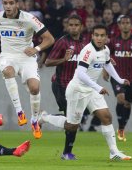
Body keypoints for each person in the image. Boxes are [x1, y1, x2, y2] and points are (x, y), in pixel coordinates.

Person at [39, 24, 132, 160]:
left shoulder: (105, 49)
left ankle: (114, 152)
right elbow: (81, 74)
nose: (99, 38)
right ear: (92, 36)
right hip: (78, 90)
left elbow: (107, 63)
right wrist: (98, 87)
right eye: (97, 35)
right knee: (72, 126)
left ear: (106, 37)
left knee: (106, 117)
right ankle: (45, 118)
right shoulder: (87, 51)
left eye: (102, 36)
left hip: (91, 89)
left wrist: (119, 79)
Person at [0, 0, 55, 139]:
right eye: (5, 3)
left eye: (11, 3)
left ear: (17, 4)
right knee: (8, 72)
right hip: (8, 56)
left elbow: (49, 39)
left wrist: (36, 48)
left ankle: (34, 121)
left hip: (26, 58)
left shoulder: (29, 19)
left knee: (35, 88)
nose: (8, 6)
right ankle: (20, 112)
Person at [44, 15, 89, 160]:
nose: (74, 27)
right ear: (67, 26)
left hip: (77, 87)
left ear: (81, 27)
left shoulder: (85, 44)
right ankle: (66, 153)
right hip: (61, 85)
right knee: (71, 121)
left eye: (76, 25)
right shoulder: (62, 42)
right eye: (71, 25)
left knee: (74, 121)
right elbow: (48, 62)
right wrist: (64, 59)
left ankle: (45, 117)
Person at [106, 15, 132, 141]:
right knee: (121, 98)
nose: (125, 25)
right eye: (122, 23)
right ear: (119, 25)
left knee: (128, 104)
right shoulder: (113, 41)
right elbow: (105, 55)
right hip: (117, 77)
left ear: (131, 25)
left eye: (127, 22)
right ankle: (120, 127)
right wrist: (105, 70)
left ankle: (122, 127)